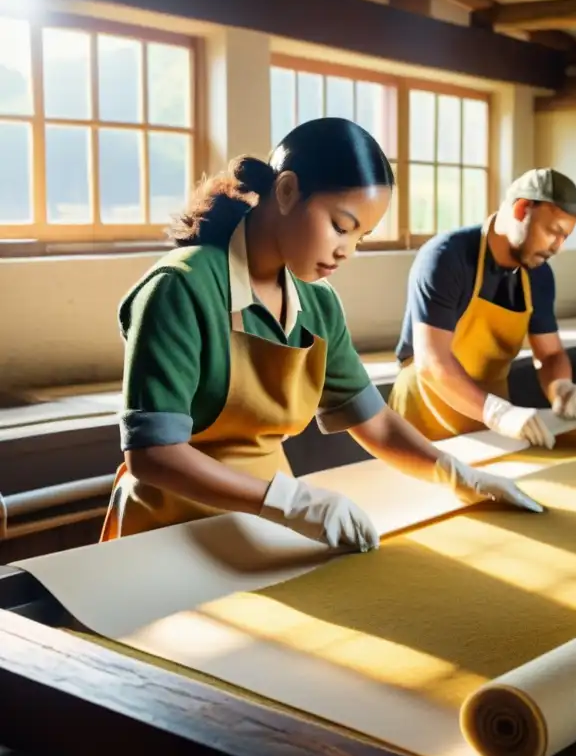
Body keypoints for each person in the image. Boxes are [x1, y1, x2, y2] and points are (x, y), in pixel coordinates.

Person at [103, 117, 542, 554]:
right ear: (288, 191)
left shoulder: (318, 303)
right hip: (168, 531)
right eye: (340, 226)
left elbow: (375, 422)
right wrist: (289, 502)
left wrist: (458, 475)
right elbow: (152, 453)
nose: (345, 251)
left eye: (361, 238)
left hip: (267, 529)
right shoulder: (180, 287)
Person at [388, 168, 576, 449]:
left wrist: (561, 388)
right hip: (424, 416)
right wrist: (496, 413)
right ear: (522, 208)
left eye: (565, 238)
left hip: (489, 423)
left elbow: (550, 354)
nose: (556, 248)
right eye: (553, 232)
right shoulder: (445, 258)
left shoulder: (538, 274)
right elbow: (432, 361)